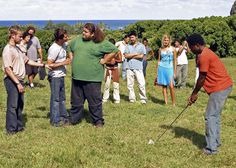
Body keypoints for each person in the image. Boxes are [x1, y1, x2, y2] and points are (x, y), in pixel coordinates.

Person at [187, 34, 233, 155]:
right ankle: (215, 142)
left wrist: (194, 94)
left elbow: (201, 78)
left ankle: (211, 148)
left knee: (210, 116)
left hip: (220, 88)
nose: (190, 50)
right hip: (224, 86)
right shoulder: (203, 53)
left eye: (191, 47)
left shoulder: (204, 56)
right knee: (215, 116)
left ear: (197, 45)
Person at [67, 23, 119, 127]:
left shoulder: (100, 43)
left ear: (92, 34)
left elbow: (115, 50)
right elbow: (69, 47)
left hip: (93, 78)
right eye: (83, 31)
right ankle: (73, 120)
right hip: (77, 77)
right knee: (76, 101)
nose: (83, 33)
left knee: (95, 101)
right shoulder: (77, 40)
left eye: (86, 32)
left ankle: (98, 121)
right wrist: (72, 58)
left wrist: (104, 60)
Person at [2, 25, 49, 134]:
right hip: (12, 80)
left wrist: (42, 65)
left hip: (19, 80)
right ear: (13, 36)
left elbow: (27, 61)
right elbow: (8, 69)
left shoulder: (17, 48)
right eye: (19, 36)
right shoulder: (7, 50)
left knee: (19, 104)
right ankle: (11, 129)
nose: (22, 38)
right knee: (13, 105)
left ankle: (18, 126)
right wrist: (18, 83)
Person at [47, 28, 71, 127]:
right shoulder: (54, 48)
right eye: (65, 36)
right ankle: (55, 121)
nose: (67, 37)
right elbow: (49, 64)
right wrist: (64, 63)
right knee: (55, 99)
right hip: (55, 76)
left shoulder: (63, 45)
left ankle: (63, 117)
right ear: (60, 38)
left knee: (62, 98)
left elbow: (71, 44)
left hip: (61, 75)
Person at [124, 31, 147, 104]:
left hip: (138, 67)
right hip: (129, 67)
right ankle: (132, 99)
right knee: (130, 84)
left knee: (141, 83)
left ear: (136, 37)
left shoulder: (141, 46)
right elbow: (126, 56)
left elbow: (141, 56)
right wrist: (136, 54)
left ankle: (143, 98)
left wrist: (131, 55)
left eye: (132, 37)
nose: (131, 39)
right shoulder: (128, 46)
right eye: (130, 37)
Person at [156, 34, 176, 106]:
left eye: (167, 40)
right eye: (165, 40)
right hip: (161, 68)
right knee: (164, 86)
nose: (166, 41)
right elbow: (158, 60)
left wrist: (175, 72)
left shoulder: (173, 49)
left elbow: (175, 61)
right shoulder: (160, 49)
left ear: (169, 41)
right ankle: (166, 102)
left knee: (171, 86)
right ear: (163, 41)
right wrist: (157, 72)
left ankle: (173, 103)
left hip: (170, 68)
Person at [102, 38, 122, 103]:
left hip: (115, 69)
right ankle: (105, 98)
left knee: (116, 84)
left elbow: (120, 59)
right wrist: (109, 61)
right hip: (107, 69)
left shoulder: (117, 51)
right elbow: (103, 60)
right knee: (106, 84)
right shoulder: (105, 51)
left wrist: (115, 60)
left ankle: (116, 99)